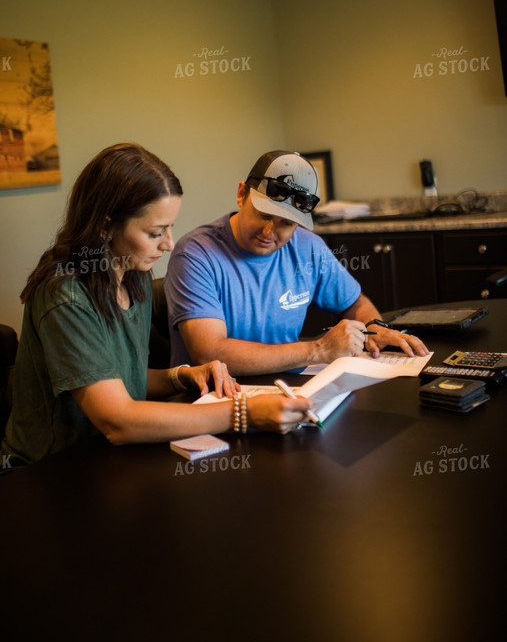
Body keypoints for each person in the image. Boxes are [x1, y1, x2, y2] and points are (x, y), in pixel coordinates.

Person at [0, 144, 311, 471]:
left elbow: (120, 377)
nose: (169, 244)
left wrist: (184, 376)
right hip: (48, 474)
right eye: (155, 232)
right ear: (105, 226)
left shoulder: (133, 277)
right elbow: (117, 420)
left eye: (170, 228)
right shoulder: (67, 297)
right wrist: (244, 412)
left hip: (108, 461)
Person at [165, 150, 429, 379]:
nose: (269, 232)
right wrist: (320, 350)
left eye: (286, 223)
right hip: (214, 397)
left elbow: (354, 304)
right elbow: (210, 353)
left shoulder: (307, 247)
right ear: (241, 194)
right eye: (264, 214)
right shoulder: (196, 255)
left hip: (288, 388)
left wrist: (374, 330)